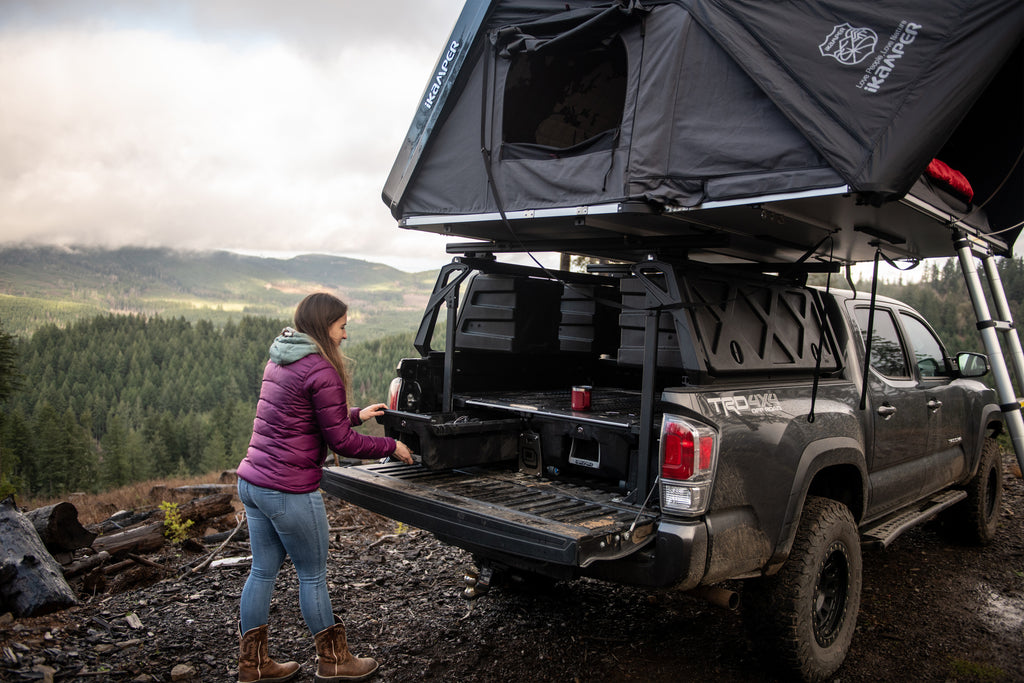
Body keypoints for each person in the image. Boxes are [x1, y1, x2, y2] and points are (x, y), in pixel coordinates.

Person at [235, 292, 413, 683]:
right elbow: (343, 443)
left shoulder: (281, 358)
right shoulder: (321, 370)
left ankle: (254, 665)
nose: (345, 335)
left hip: (253, 480)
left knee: (263, 571)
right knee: (312, 575)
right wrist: (391, 445)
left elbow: (300, 416)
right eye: (342, 326)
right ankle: (334, 661)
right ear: (324, 326)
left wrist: (354, 414)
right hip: (288, 489)